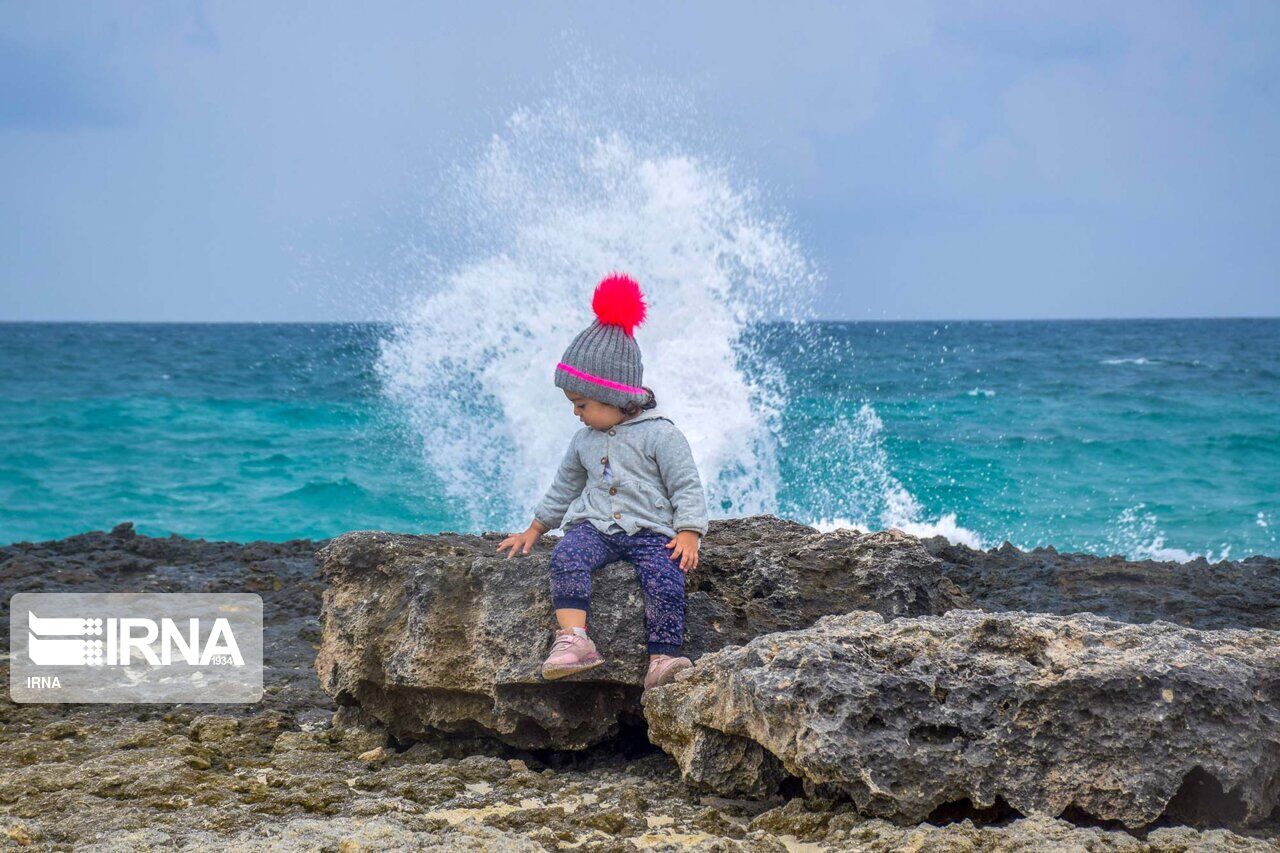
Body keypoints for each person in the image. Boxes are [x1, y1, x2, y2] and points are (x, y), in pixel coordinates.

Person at [496, 273, 709, 692]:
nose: (576, 413)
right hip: (597, 527)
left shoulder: (661, 434)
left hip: (652, 531)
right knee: (567, 556)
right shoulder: (584, 440)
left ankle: (662, 658)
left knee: (665, 577)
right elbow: (564, 487)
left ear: (614, 396)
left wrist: (688, 532)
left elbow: (686, 485)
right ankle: (574, 640)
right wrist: (536, 529)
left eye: (582, 404)